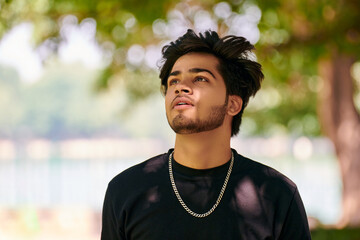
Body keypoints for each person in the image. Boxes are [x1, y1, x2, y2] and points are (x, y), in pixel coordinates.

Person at [101, 29, 311, 240]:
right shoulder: (125, 191)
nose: (181, 87)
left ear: (232, 104)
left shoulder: (277, 195)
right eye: (174, 81)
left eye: (200, 79)